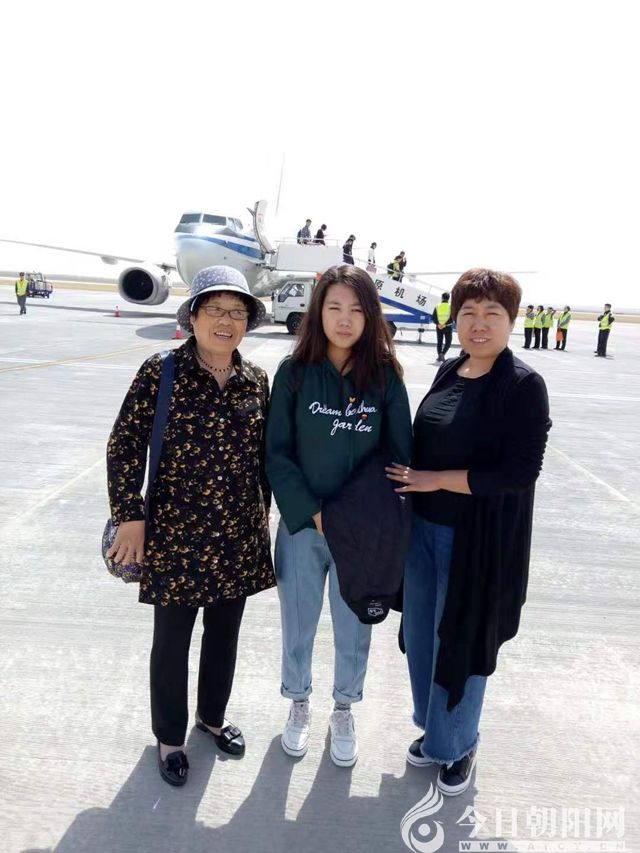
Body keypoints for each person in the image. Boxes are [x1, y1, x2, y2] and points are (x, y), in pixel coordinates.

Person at [106, 265, 274, 787]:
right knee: (172, 643)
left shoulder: (256, 379)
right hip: (175, 535)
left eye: (237, 312)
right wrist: (129, 515)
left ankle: (212, 718)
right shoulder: (161, 372)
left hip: (238, 537)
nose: (226, 321)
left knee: (224, 637)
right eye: (215, 309)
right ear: (194, 317)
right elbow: (124, 446)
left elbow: (265, 460)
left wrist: (268, 517)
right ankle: (170, 738)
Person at [386, 268, 551, 796]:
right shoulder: (450, 370)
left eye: (492, 313)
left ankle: (458, 743)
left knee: (461, 642)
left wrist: (435, 480)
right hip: (422, 533)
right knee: (422, 637)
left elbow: (518, 473)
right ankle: (435, 729)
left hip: (475, 541)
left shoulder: (522, 385)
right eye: (469, 313)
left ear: (511, 320)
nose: (479, 324)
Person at [266, 264, 412, 769]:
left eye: (356, 309)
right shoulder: (294, 373)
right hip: (302, 527)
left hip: (362, 535)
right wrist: (311, 514)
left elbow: (400, 457)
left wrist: (372, 521)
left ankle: (345, 708)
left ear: (370, 316)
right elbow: (277, 454)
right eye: (334, 307)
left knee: (354, 626)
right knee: (298, 620)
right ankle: (298, 700)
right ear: (318, 312)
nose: (344, 319)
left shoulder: (385, 377)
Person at [432, 292, 454, 362]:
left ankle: (439, 355)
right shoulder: (451, 306)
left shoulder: (438, 306)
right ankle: (442, 354)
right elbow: (452, 318)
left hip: (439, 327)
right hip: (448, 327)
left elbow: (433, 317)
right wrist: (445, 324)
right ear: (448, 298)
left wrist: (438, 324)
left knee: (439, 342)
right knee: (448, 342)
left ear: (442, 298)